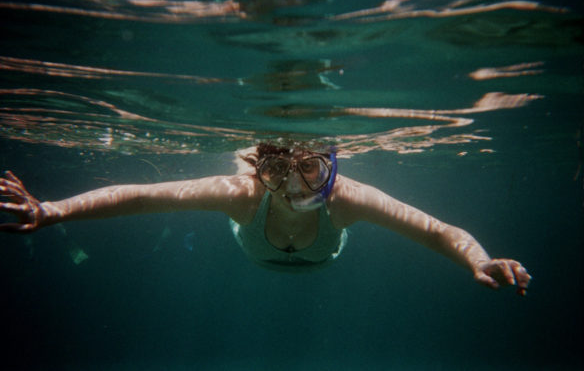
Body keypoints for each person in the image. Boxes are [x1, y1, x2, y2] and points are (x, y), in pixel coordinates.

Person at [0, 143, 531, 294]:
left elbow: (437, 230)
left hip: (323, 261)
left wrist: (477, 260)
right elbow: (139, 196)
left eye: (311, 167)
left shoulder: (348, 198)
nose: (297, 185)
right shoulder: (240, 194)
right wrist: (53, 211)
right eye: (277, 170)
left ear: (330, 164)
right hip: (255, 245)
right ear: (262, 172)